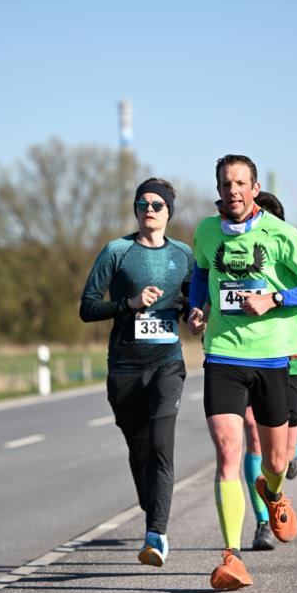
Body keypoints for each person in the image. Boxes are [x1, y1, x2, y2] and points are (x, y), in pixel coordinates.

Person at [188, 155, 297, 590]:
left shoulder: (283, 235)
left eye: (241, 183)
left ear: (254, 187)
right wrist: (198, 307)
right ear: (218, 187)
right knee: (229, 453)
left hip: (272, 360)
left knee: (275, 460)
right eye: (226, 183)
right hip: (224, 357)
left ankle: (274, 490)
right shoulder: (206, 231)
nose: (233, 190)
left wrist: (275, 298)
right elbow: (199, 272)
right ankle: (231, 557)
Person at [80, 179, 192, 567]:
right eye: (142, 202)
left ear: (168, 212)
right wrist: (127, 303)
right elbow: (87, 307)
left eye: (157, 204)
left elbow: (194, 301)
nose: (149, 208)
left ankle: (156, 534)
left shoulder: (183, 254)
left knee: (161, 444)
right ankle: (152, 508)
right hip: (125, 368)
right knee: (139, 450)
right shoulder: (117, 252)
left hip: (167, 363)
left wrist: (195, 314)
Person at [239, 192, 297, 549]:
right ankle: (263, 522)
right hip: (250, 361)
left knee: (283, 453)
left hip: (292, 366)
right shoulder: (243, 259)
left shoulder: (291, 254)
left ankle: (294, 452)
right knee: (253, 434)